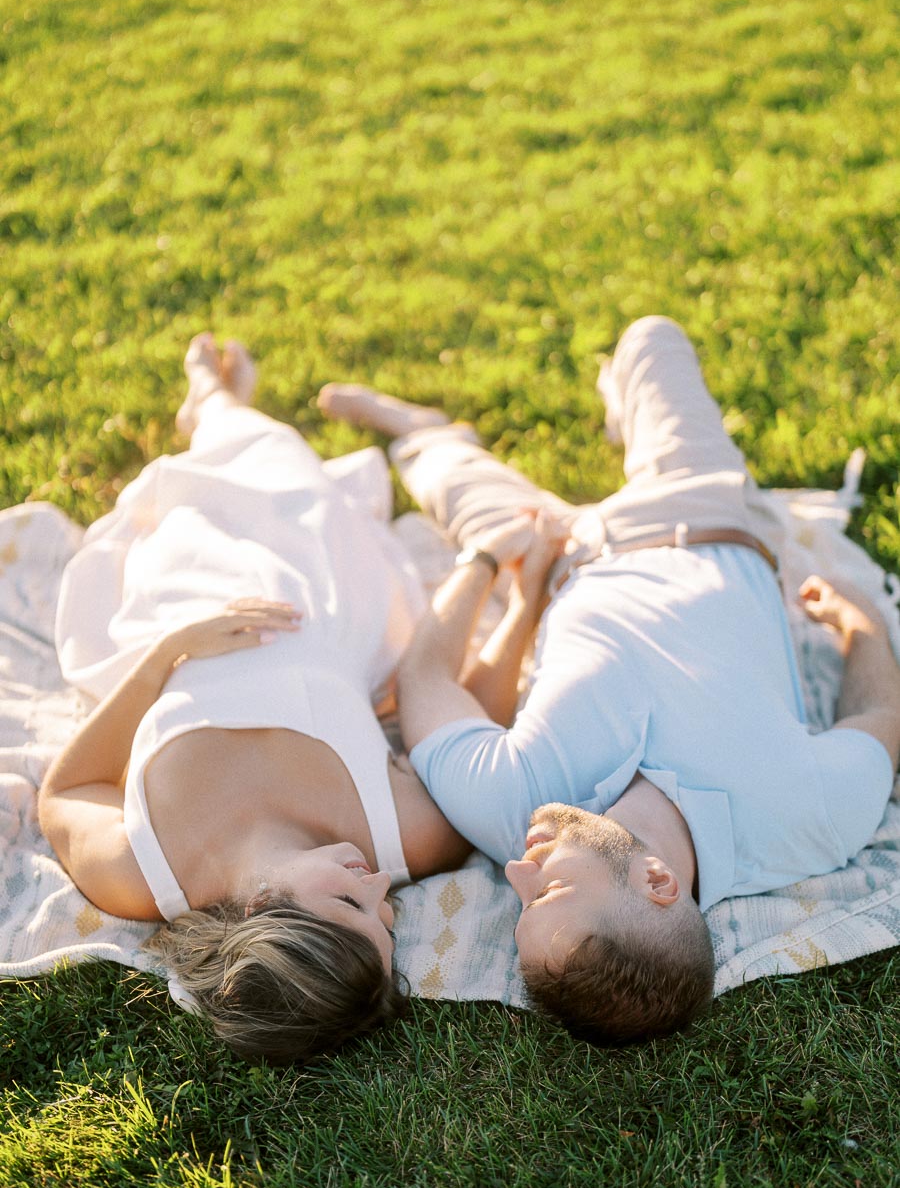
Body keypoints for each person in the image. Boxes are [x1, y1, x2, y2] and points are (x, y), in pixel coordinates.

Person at [318, 315, 900, 1046]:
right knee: (652, 337)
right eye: (550, 890)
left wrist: (491, 566)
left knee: (452, 487)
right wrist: (860, 627)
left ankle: (423, 427)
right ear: (657, 883)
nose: (516, 875)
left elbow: (426, 678)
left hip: (556, 560)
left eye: (522, 905)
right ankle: (621, 405)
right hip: (700, 512)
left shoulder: (511, 807)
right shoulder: (811, 819)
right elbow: (878, 713)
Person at [39, 334, 473, 1065]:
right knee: (287, 479)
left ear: (263, 905)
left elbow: (67, 791)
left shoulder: (141, 876)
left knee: (191, 512)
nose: (381, 890)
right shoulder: (413, 836)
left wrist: (166, 655)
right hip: (323, 599)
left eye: (350, 902)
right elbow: (455, 701)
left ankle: (212, 403)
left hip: (187, 611)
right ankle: (224, 409)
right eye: (387, 919)